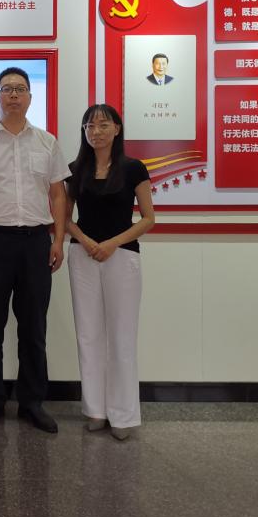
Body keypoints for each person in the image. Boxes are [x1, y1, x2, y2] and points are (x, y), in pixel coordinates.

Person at [0, 67, 70, 434]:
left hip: (35, 243)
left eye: (20, 89)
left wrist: (58, 240)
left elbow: (58, 194)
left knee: (34, 328)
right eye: (6, 89)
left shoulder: (47, 142)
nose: (13, 95)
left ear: (30, 98)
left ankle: (32, 402)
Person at [66, 104, 154, 441]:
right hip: (83, 255)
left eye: (104, 125)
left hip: (122, 257)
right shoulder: (75, 169)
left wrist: (112, 243)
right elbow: (64, 219)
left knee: (121, 336)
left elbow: (148, 218)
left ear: (117, 129)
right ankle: (95, 410)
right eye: (90, 125)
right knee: (88, 334)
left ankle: (123, 415)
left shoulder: (133, 168)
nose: (96, 131)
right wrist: (87, 241)